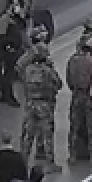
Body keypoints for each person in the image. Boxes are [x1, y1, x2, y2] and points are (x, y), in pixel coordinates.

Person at [20, 43, 63, 173]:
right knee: (47, 134)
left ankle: (24, 161)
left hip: (30, 104)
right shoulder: (47, 70)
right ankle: (50, 163)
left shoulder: (28, 70)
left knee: (28, 135)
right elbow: (59, 84)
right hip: (44, 105)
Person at [65, 36, 92, 163]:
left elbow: (68, 79)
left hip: (76, 95)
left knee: (75, 126)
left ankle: (73, 155)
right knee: (91, 126)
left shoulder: (72, 60)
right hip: (89, 96)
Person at [0, 1, 26, 106]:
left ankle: (5, 95)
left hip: (14, 50)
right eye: (15, 6)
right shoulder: (5, 19)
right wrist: (8, 47)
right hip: (8, 52)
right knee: (9, 75)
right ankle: (8, 96)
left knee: (10, 74)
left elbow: (23, 25)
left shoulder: (14, 19)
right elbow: (1, 36)